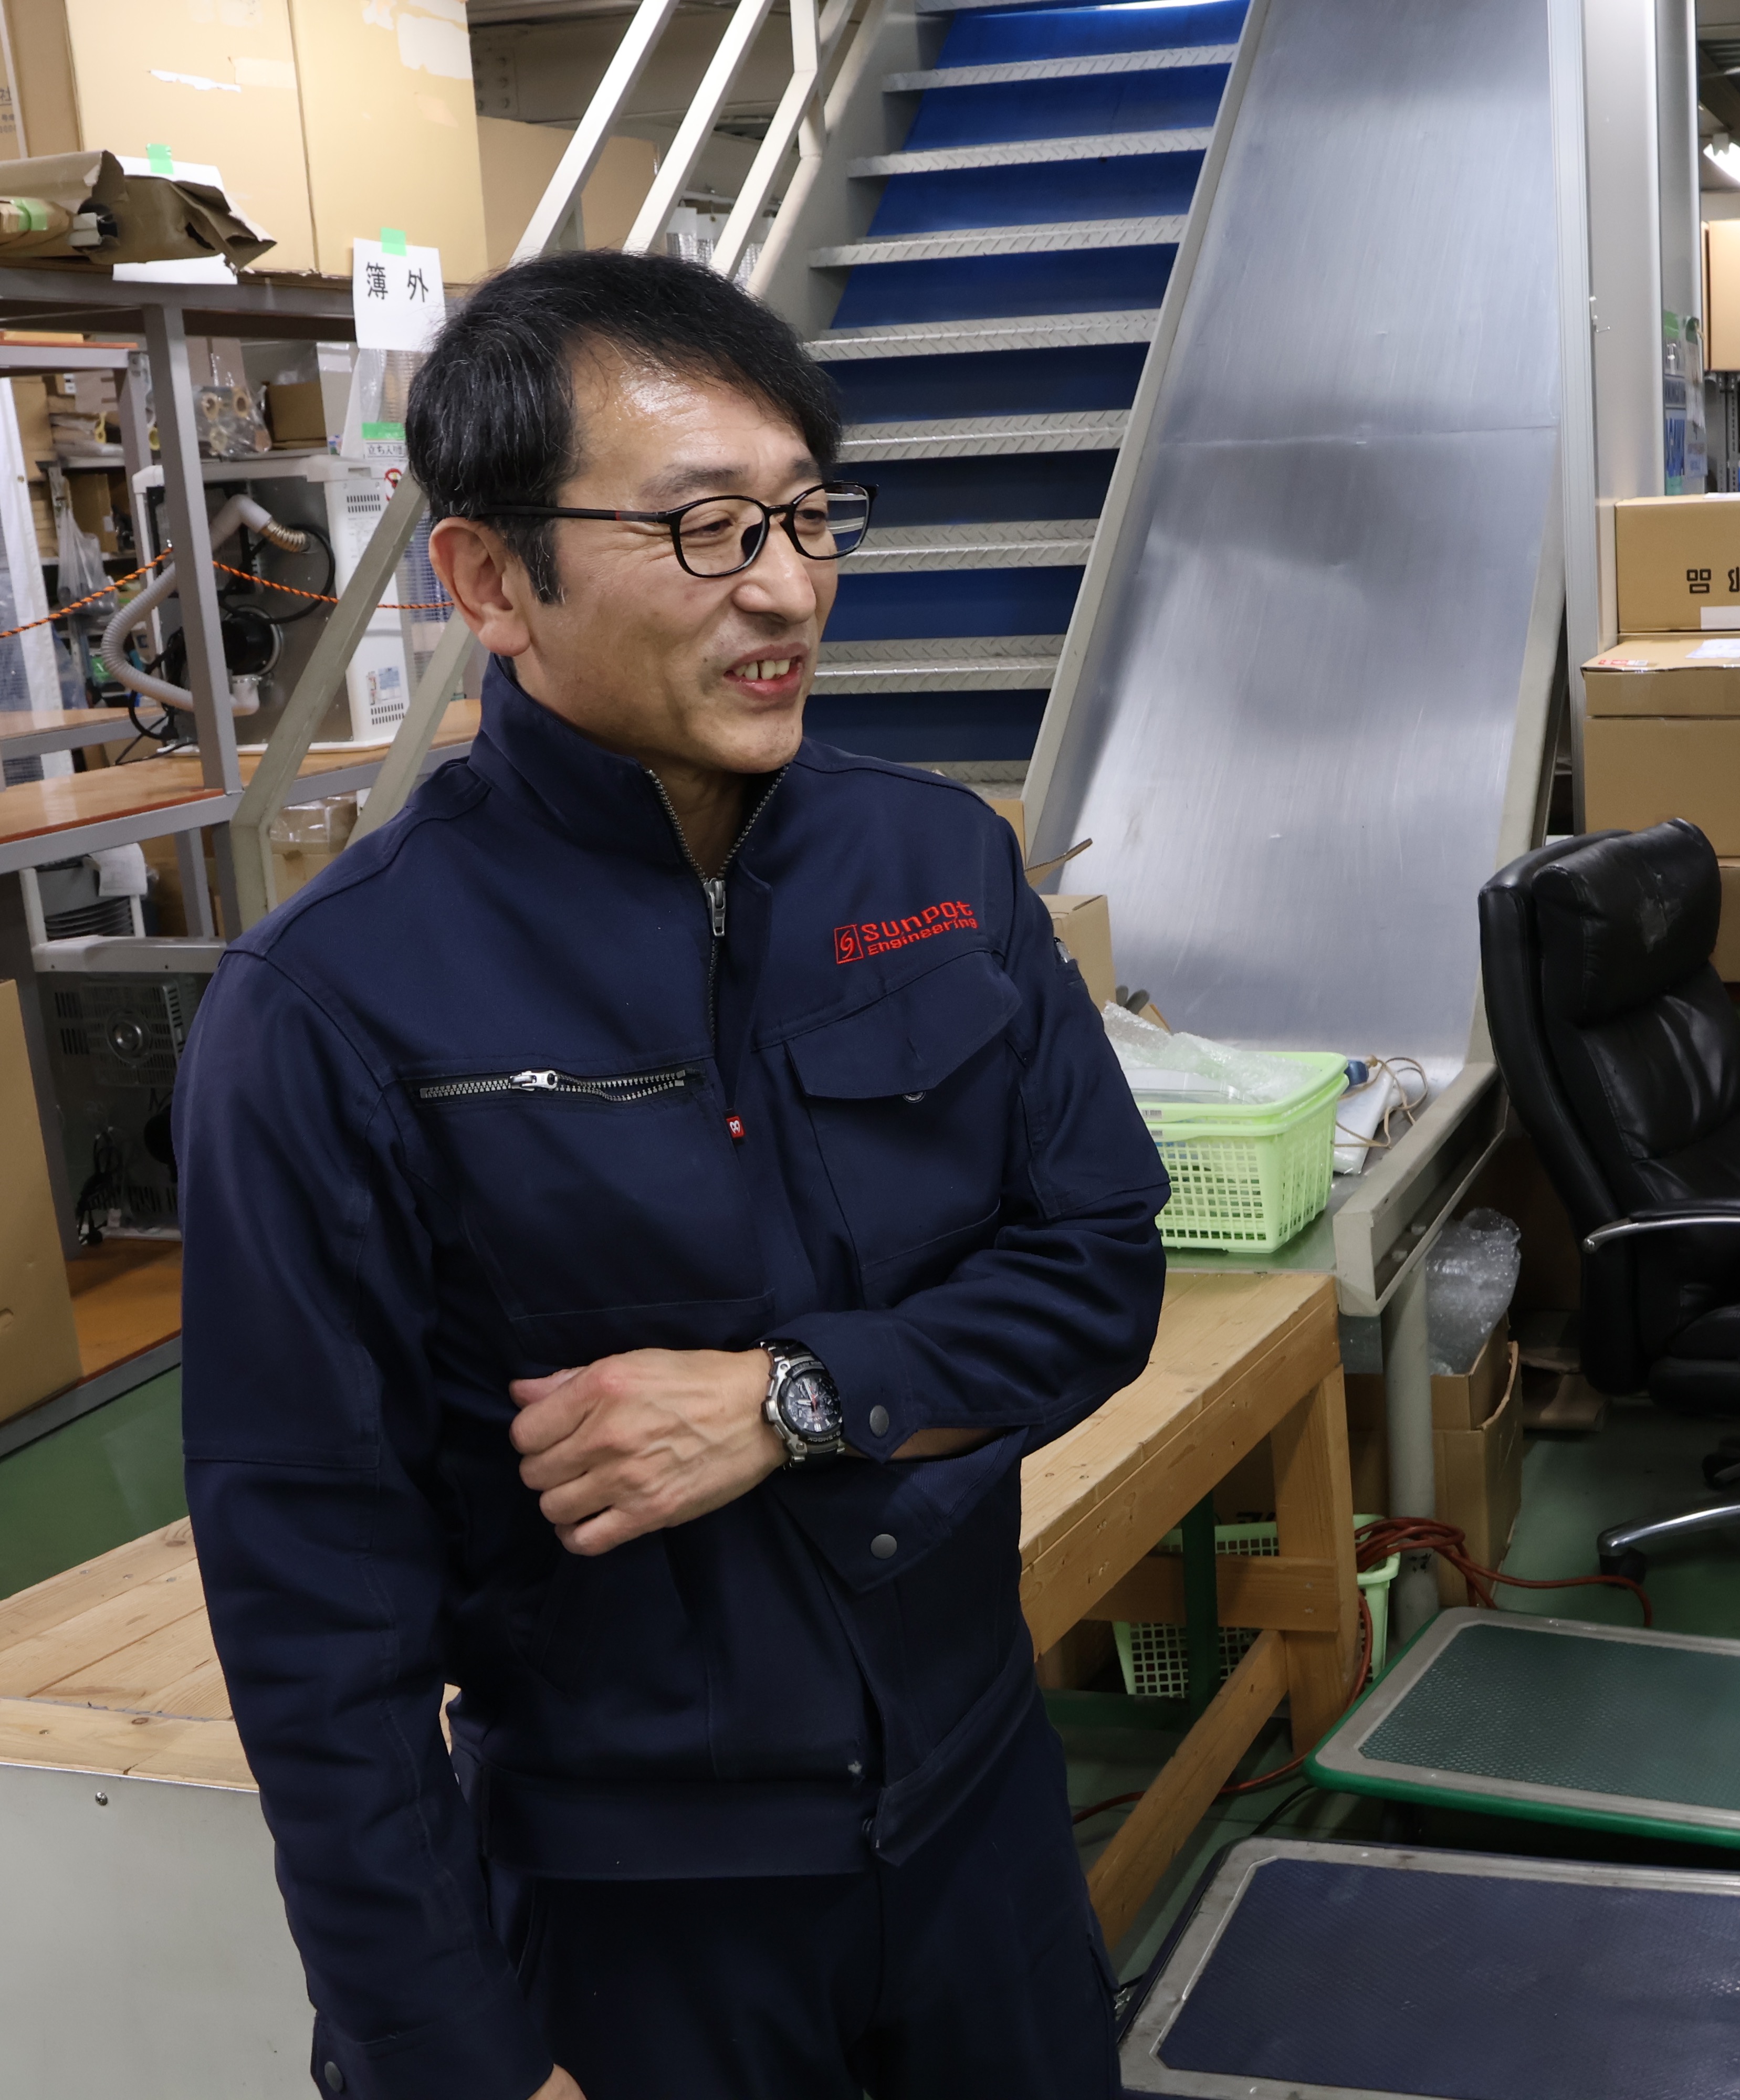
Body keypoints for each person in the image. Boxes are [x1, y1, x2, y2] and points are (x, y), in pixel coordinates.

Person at [175, 251, 1169, 2100]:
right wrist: (456, 2057)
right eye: (706, 529)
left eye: (805, 516)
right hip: (633, 1907)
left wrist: (795, 1401)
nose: (785, 588)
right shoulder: (334, 1006)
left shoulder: (936, 868)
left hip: (982, 1826)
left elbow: (1099, 1269)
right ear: (492, 580)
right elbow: (315, 1598)